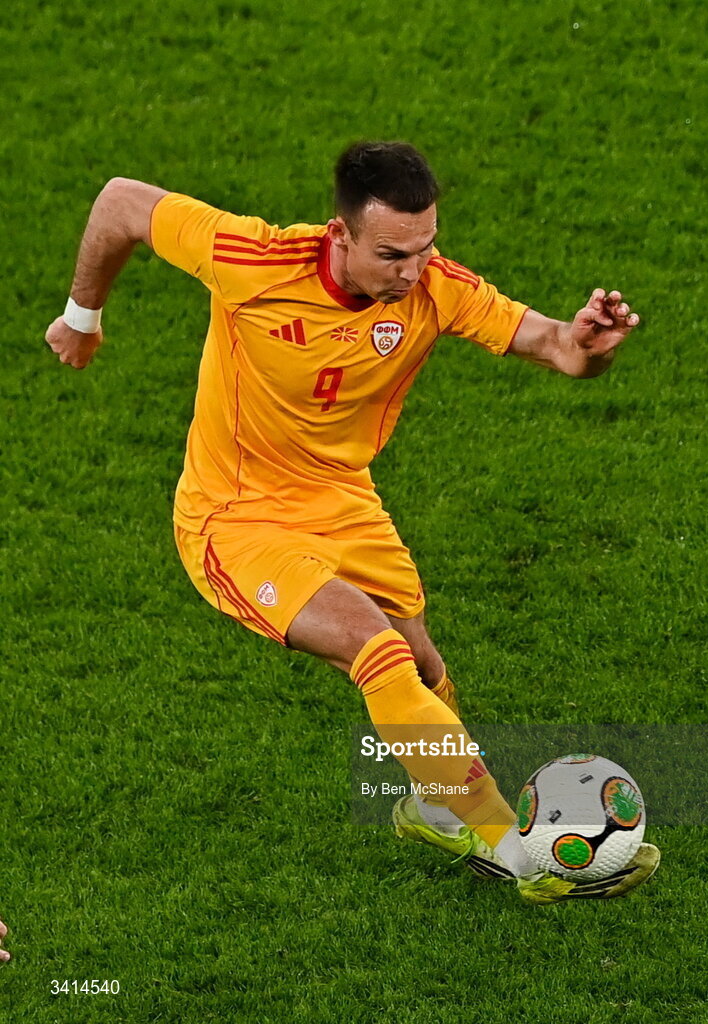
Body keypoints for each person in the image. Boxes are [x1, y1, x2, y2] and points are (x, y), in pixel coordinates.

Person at [45, 141, 659, 904]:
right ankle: (517, 850)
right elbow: (120, 201)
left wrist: (589, 346)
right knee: (376, 651)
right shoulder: (254, 260)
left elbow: (558, 348)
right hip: (236, 519)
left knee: (423, 668)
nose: (412, 271)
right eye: (391, 255)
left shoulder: (436, 288)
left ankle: (437, 809)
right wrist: (82, 318)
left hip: (341, 501)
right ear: (339, 235)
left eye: (425, 246)